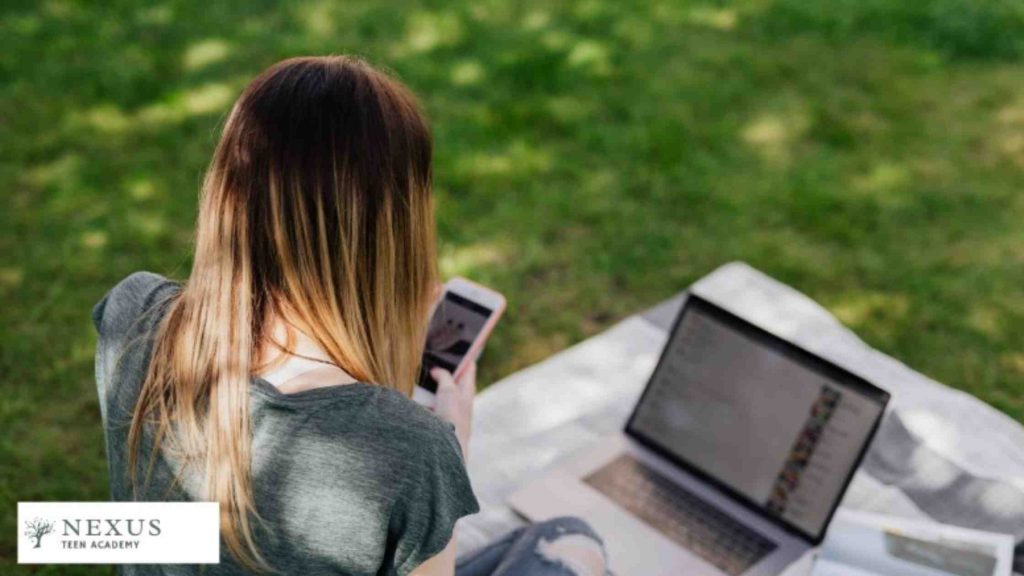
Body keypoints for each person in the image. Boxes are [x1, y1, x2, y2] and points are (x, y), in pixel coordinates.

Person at [92, 56, 607, 576]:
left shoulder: (130, 314)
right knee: (571, 543)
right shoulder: (410, 449)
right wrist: (451, 448)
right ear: (394, 230)